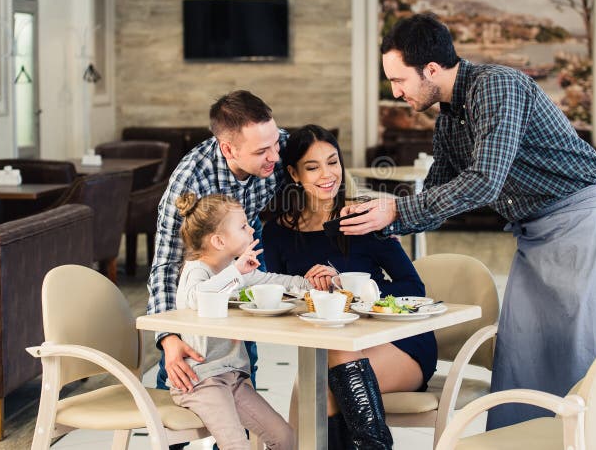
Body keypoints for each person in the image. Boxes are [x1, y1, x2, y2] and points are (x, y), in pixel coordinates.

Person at [339, 13, 596, 430]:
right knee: (522, 356)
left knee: (589, 355)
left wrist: (396, 211)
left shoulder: (496, 85)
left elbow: (484, 182)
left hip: (586, 225)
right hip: (534, 236)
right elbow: (436, 201)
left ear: (431, 69)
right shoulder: (447, 120)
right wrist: (379, 213)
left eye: (399, 80)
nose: (396, 91)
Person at [262, 125, 438, 449]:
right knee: (314, 381)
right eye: (313, 167)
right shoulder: (278, 233)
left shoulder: (364, 217)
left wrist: (352, 294)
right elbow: (280, 298)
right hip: (329, 353)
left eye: (333, 162)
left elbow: (413, 286)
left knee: (319, 385)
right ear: (294, 173)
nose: (327, 174)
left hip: (398, 344)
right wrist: (309, 290)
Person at [147, 90, 286, 397]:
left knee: (243, 353)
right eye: (262, 150)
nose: (275, 156)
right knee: (184, 357)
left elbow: (326, 169)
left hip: (247, 236)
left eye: (275, 142)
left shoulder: (278, 145)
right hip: (200, 258)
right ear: (228, 149)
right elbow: (166, 265)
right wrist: (169, 337)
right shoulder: (190, 182)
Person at [171, 192, 324, 450]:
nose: (252, 228)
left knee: (285, 438)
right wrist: (237, 272)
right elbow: (199, 298)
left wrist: (315, 284)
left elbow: (274, 281)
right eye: (243, 226)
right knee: (237, 446)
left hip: (232, 378)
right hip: (202, 382)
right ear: (219, 240)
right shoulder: (196, 270)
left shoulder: (233, 269)